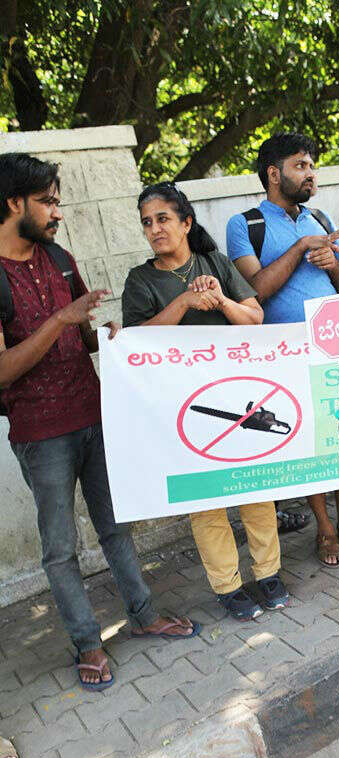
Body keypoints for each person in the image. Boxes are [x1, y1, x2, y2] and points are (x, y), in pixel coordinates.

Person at [0, 154, 199, 692]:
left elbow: (80, 333)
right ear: (14, 203)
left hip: (94, 414)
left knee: (116, 525)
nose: (56, 212)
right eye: (47, 201)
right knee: (61, 548)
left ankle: (144, 614)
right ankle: (88, 642)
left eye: (56, 200)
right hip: (41, 435)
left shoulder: (59, 258)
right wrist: (58, 321)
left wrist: (104, 336)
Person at [122, 182, 288, 621]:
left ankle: (269, 573)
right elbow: (134, 344)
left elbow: (255, 318)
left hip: (238, 394)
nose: (155, 229)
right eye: (147, 222)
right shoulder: (141, 280)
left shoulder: (214, 261)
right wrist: (184, 301)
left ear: (186, 223)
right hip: (185, 407)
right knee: (206, 499)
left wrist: (220, 299)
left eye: (163, 219)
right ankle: (228, 587)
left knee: (256, 487)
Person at [227, 132, 339, 569]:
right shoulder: (244, 224)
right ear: (274, 174)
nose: (311, 174)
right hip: (284, 355)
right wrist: (301, 248)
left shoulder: (321, 219)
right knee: (309, 441)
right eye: (301, 166)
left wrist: (334, 264)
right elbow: (256, 291)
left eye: (312, 166)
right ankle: (324, 529)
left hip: (335, 345)